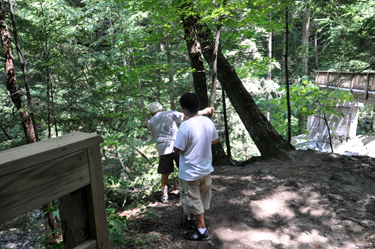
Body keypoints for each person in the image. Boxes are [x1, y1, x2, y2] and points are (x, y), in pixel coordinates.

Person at [173, 93, 219, 241]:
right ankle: (193, 220)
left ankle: (201, 231)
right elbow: (215, 140)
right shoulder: (207, 122)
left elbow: (178, 149)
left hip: (190, 171)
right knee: (202, 197)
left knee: (193, 199)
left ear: (185, 109)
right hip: (205, 168)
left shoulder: (185, 126)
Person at [148, 102, 213, 204]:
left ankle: (165, 197)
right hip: (176, 146)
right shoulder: (169, 113)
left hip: (163, 149)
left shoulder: (151, 122)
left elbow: (154, 136)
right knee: (184, 169)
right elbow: (187, 116)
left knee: (165, 174)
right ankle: (186, 191)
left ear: (151, 111)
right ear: (161, 108)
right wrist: (205, 111)